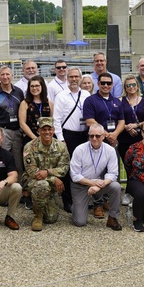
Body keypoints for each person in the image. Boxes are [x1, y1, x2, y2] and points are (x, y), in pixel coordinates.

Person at [68, 124, 123, 230]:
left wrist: (100, 184)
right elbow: (74, 175)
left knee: (116, 186)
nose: (94, 138)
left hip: (98, 184)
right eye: (91, 136)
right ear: (88, 136)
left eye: (97, 136)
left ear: (103, 136)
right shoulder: (80, 149)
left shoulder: (110, 150)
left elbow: (113, 173)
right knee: (80, 222)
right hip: (80, 184)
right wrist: (92, 183)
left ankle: (112, 218)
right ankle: (76, 206)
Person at [53, 67, 90, 213]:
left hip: (84, 135)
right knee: (68, 168)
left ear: (80, 78)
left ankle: (84, 198)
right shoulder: (61, 96)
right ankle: (67, 200)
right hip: (69, 136)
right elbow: (56, 120)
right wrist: (61, 139)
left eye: (76, 76)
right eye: (71, 76)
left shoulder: (86, 94)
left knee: (84, 167)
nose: (74, 79)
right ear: (67, 78)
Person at [22, 117, 70, 231]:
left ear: (53, 130)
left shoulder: (61, 146)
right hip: (31, 180)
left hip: (49, 181)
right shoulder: (30, 146)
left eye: (49, 129)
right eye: (44, 129)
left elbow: (64, 168)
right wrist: (53, 179)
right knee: (42, 184)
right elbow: (32, 172)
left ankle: (47, 197)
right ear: (39, 131)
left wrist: (47, 172)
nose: (47, 132)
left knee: (51, 218)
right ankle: (38, 216)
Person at [0, 65, 26, 178]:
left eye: (7, 74)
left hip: (17, 131)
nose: (5, 77)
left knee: (18, 161)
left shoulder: (19, 92)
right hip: (3, 131)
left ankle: (19, 187)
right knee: (1, 160)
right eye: (2, 74)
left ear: (12, 76)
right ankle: (0, 185)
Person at [83, 72, 125, 150]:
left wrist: (115, 134)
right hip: (96, 139)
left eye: (108, 83)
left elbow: (121, 121)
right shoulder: (90, 100)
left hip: (114, 140)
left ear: (112, 85)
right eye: (103, 83)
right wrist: (107, 135)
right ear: (98, 84)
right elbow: (89, 121)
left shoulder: (117, 101)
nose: (106, 85)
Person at [118, 73, 144, 164]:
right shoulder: (120, 101)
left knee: (140, 165)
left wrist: (136, 125)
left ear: (137, 86)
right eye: (128, 85)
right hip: (124, 139)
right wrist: (126, 127)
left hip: (140, 138)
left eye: (133, 85)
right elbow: (116, 119)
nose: (131, 87)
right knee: (127, 165)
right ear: (125, 87)